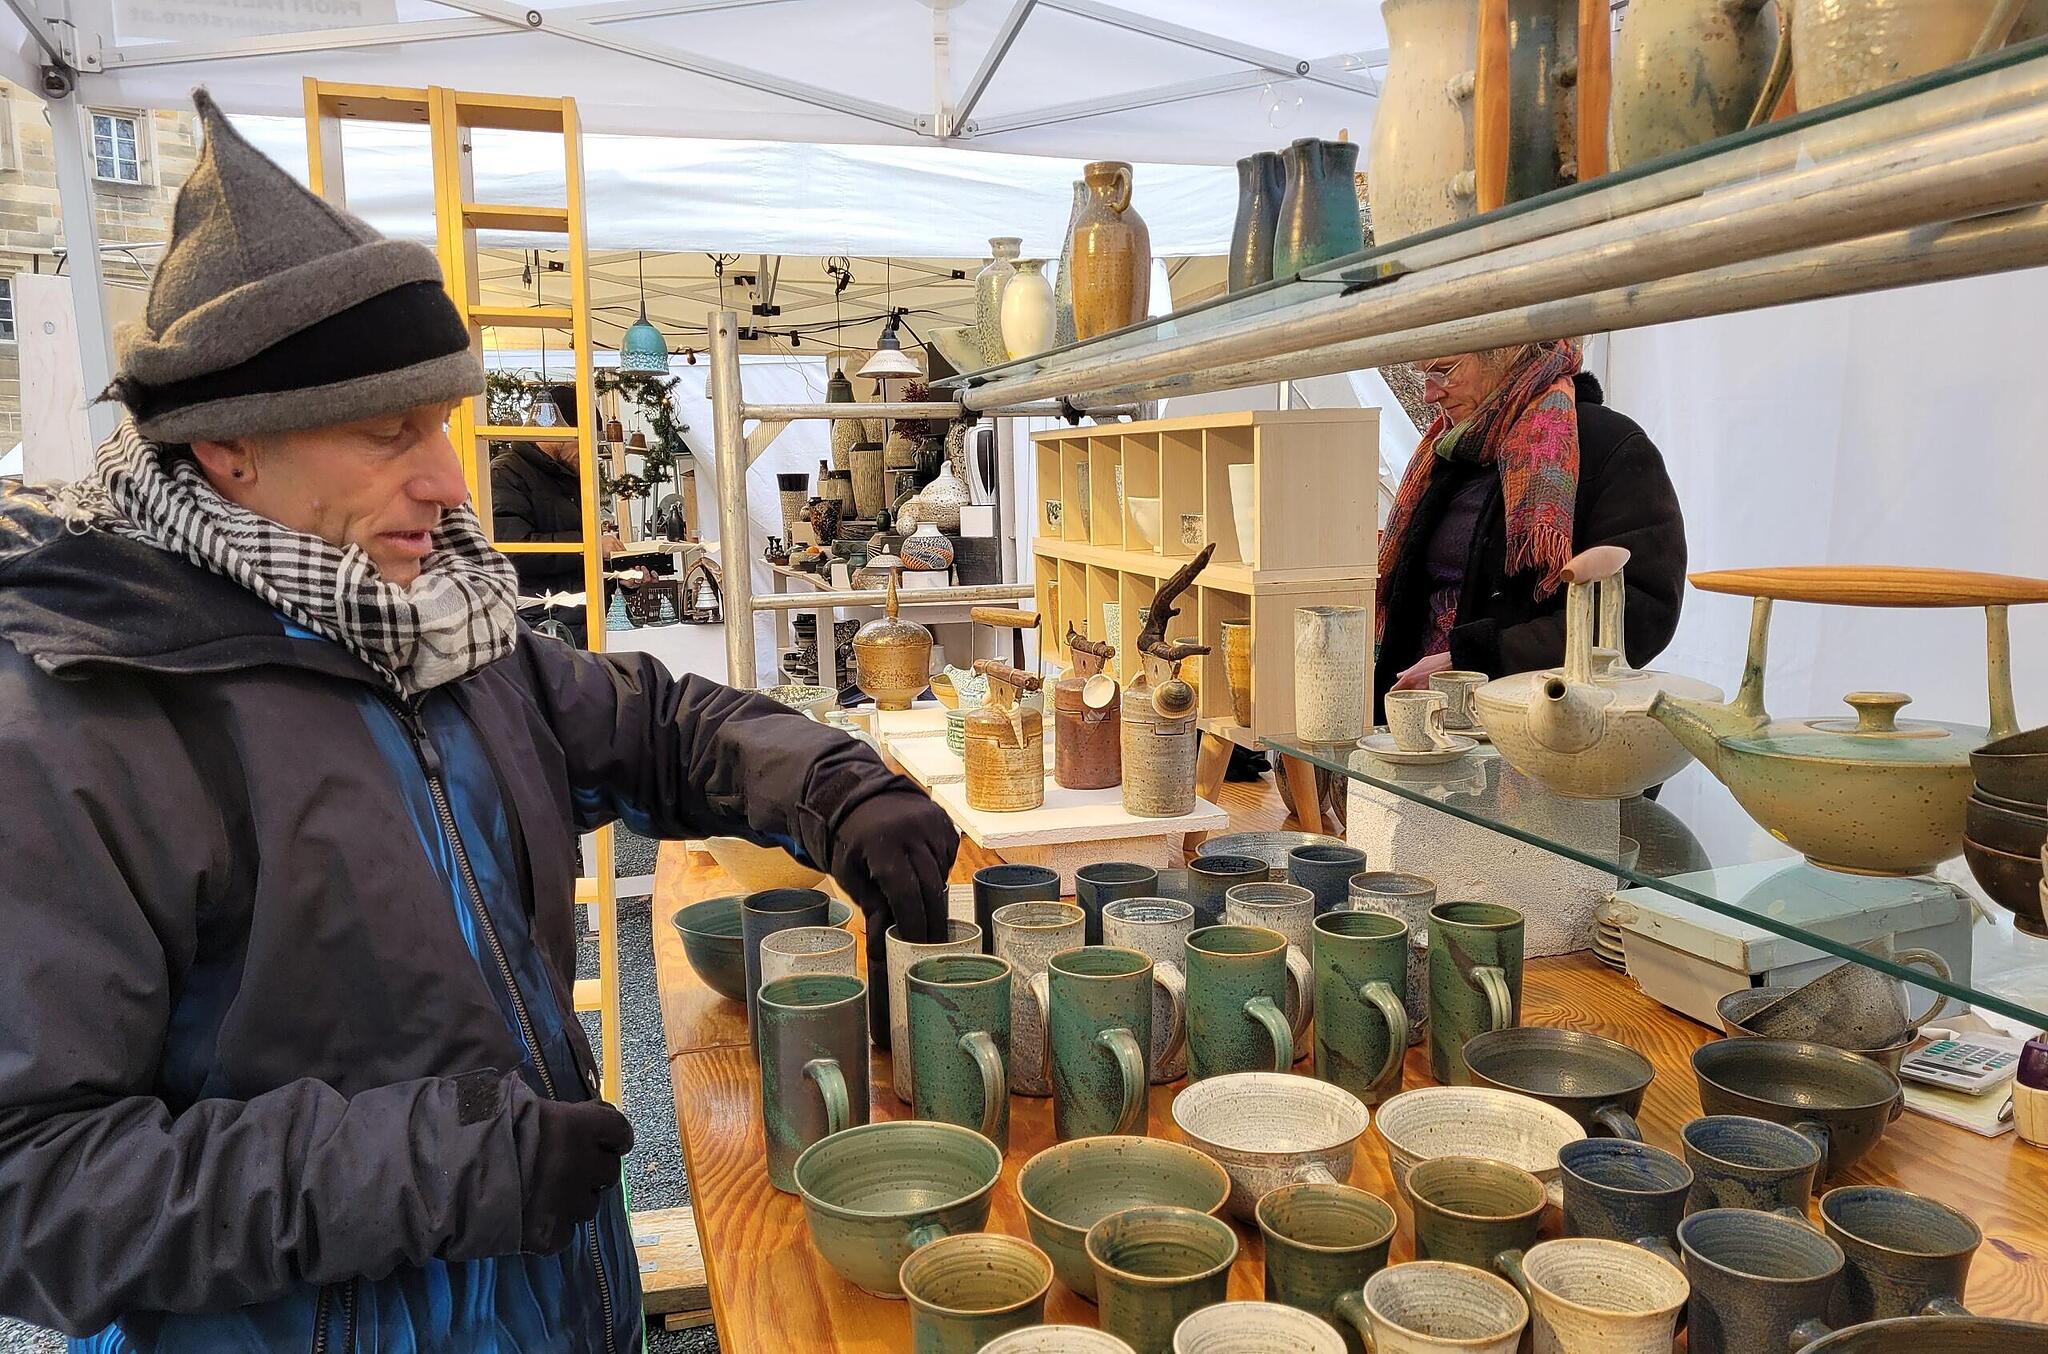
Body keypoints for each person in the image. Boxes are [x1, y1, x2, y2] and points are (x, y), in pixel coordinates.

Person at [0, 91, 957, 1353]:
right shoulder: (84, 714)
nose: (449, 480)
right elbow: (35, 1183)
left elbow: (652, 725)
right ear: (229, 446)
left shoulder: (434, 627)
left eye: (443, 422)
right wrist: (439, 1168)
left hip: (549, 1305)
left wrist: (836, 785)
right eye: (387, 432)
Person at [1373, 339, 1687, 713]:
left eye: (1444, 371)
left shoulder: (1608, 446)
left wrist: (1477, 658)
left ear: (1506, 352)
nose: (1429, 394)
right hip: (1422, 715)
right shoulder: (1452, 451)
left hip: (1535, 722)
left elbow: (1640, 612)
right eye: (1423, 374)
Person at [490, 383, 622, 645]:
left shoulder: (568, 476)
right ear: (559, 430)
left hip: (578, 621)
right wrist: (590, 546)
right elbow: (514, 551)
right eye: (584, 439)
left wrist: (619, 577)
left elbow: (575, 566)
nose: (589, 451)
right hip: (537, 625)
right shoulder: (505, 474)